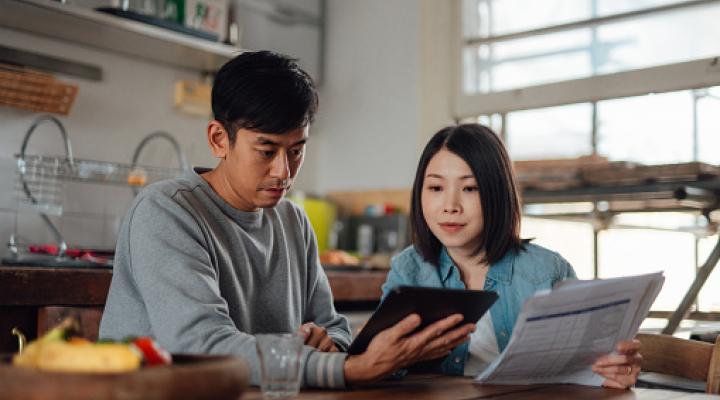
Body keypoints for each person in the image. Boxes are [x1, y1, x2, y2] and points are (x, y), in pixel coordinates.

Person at [99, 51, 475, 389]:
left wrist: (333, 344)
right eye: (266, 150)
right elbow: (201, 345)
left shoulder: (292, 220)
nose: (284, 171)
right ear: (218, 139)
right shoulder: (166, 211)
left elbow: (333, 327)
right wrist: (349, 369)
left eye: (297, 151)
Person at [381, 123, 642, 389]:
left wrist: (611, 372)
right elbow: (381, 367)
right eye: (436, 188)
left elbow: (587, 366)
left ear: (498, 193)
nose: (450, 206)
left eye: (470, 188)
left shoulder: (547, 270)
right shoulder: (407, 270)